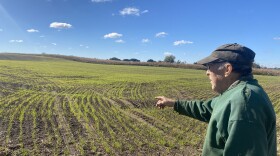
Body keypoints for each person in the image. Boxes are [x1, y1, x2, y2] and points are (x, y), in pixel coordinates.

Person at [155, 43, 277, 156]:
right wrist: (173, 103)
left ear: (227, 69)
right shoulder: (235, 94)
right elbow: (206, 108)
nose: (207, 72)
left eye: (209, 66)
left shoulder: (244, 102)